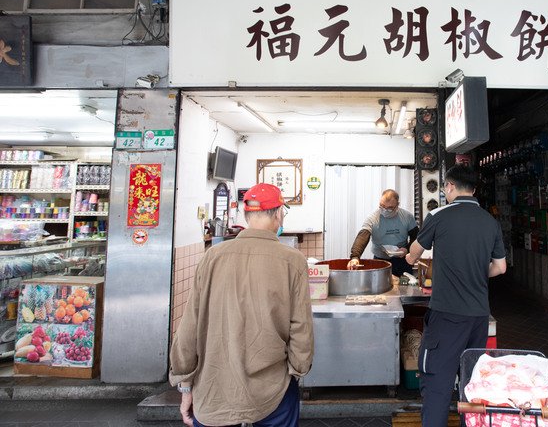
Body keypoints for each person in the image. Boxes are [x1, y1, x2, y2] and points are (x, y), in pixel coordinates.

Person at [169, 183, 314, 427]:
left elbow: (191, 323)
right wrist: (298, 370)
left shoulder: (213, 256)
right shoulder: (293, 260)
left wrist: (185, 384)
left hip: (214, 389)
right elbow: (300, 326)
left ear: (245, 215)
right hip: (273, 390)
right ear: (279, 213)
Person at [404, 164, 507, 427]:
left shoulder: (438, 215)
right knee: (472, 384)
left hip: (447, 317)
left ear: (449, 187)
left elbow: (415, 253)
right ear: (473, 190)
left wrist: (407, 255)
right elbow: (500, 267)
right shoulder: (489, 221)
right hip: (478, 317)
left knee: (437, 384)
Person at [347, 189, 419, 277]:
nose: (384, 210)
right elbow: (362, 236)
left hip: (402, 260)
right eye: (382, 206)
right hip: (380, 260)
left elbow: (415, 237)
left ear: (397, 205)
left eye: (389, 208)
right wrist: (355, 257)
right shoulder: (373, 218)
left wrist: (407, 249)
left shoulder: (407, 217)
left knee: (405, 288)